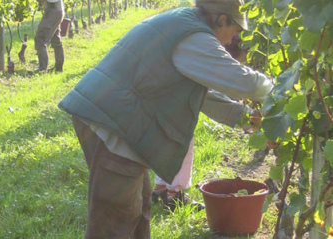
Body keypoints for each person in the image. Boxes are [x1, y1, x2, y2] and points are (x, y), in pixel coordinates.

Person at [58, 0, 274, 238]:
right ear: (221, 19)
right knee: (116, 217)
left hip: (112, 114)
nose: (230, 40)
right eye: (234, 32)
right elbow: (246, 83)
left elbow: (203, 95)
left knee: (138, 208)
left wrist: (246, 118)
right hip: (114, 122)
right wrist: (280, 89)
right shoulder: (195, 38)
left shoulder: (182, 24)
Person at [152, 36, 253, 211]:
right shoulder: (201, 67)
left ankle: (161, 189)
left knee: (166, 146)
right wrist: (249, 119)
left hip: (160, 99)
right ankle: (174, 197)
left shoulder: (198, 53)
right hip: (173, 106)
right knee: (181, 147)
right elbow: (211, 100)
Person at [33, 0, 65, 73]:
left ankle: (42, 69)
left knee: (40, 39)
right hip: (57, 9)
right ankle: (58, 68)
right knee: (56, 39)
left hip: (53, 11)